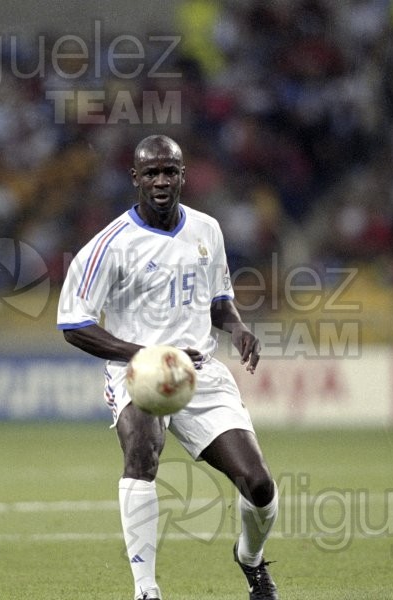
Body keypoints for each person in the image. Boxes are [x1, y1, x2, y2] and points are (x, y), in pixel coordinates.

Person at [57, 135, 279, 600]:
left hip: (199, 371)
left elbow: (219, 301)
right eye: (152, 172)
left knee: (259, 486)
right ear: (135, 178)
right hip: (136, 369)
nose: (161, 180)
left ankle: (251, 559)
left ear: (183, 175)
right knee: (142, 450)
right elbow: (73, 324)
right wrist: (140, 355)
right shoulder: (109, 245)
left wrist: (237, 329)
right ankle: (146, 590)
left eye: (170, 171)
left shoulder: (207, 230)